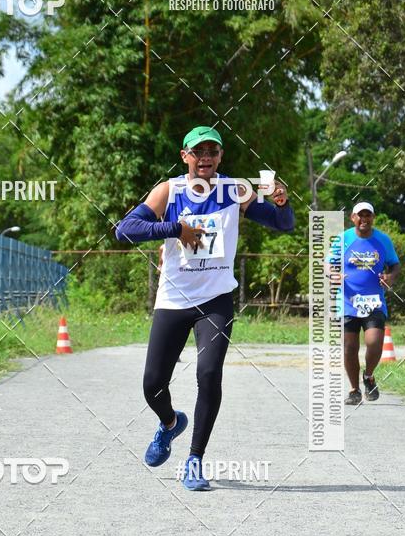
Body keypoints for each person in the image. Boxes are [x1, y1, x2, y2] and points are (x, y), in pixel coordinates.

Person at [115, 125, 295, 491]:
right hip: (173, 299)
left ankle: (194, 460)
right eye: (198, 152)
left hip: (215, 300)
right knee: (152, 385)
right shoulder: (170, 190)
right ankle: (169, 424)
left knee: (209, 374)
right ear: (185, 157)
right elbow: (125, 230)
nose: (206, 158)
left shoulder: (235, 190)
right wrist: (175, 229)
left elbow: (284, 224)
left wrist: (281, 201)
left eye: (212, 151)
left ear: (220, 156)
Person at [330, 202, 400, 405]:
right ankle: (354, 390)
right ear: (353, 218)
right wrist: (332, 274)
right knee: (349, 347)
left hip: (374, 302)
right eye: (360, 216)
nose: (364, 219)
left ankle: (368, 376)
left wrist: (390, 277)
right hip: (347, 301)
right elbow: (328, 263)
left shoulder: (383, 240)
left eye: (368, 215)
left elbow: (395, 264)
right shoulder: (343, 239)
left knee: (374, 342)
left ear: (373, 217)